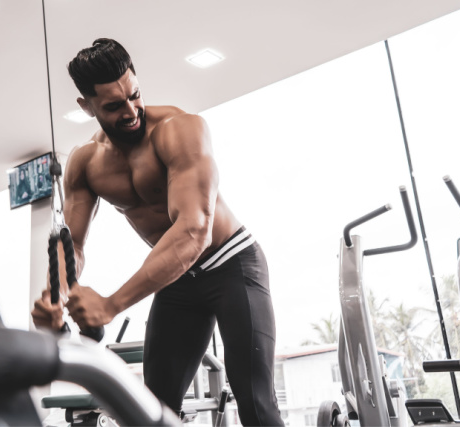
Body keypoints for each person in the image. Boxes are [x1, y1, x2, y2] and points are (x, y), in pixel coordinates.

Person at [31, 38, 283, 426]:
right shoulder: (85, 163)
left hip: (232, 264)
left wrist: (111, 304)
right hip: (179, 281)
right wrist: (58, 293)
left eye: (135, 95)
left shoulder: (180, 129)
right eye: (114, 106)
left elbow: (193, 230)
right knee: (152, 407)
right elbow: (74, 245)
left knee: (255, 398)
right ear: (87, 106)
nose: (131, 111)